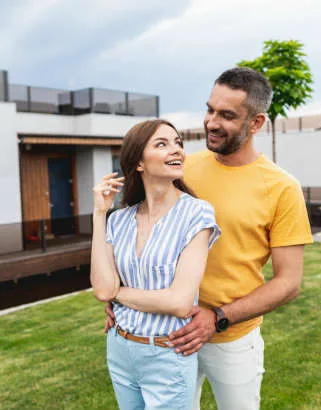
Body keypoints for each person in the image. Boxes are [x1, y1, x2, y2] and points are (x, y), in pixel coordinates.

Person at [107, 67, 313, 409]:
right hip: (167, 332)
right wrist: (122, 297)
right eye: (210, 110)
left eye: (227, 115)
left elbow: (288, 282)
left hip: (231, 339)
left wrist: (218, 316)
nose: (211, 122)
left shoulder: (282, 188)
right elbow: (141, 228)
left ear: (256, 123)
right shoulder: (182, 167)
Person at [90, 119, 221, 410]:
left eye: (177, 143)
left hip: (166, 352)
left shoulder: (196, 213)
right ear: (139, 162)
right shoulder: (119, 219)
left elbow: (179, 302)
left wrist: (117, 294)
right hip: (120, 348)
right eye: (162, 144)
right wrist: (99, 214)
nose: (176, 150)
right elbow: (101, 287)